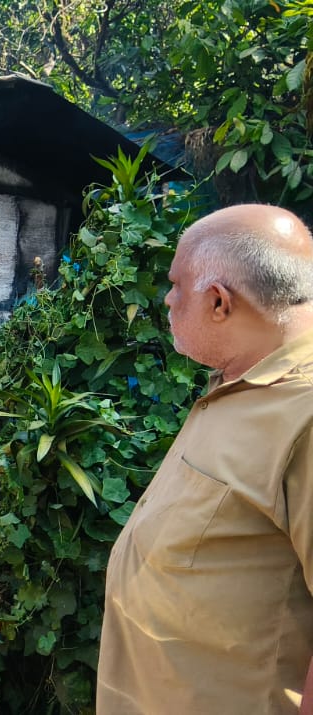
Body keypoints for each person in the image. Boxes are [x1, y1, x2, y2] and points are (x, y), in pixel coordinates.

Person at [99, 204, 313, 714]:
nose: (167, 299)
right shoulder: (239, 382)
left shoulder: (302, 410)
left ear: (219, 301)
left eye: (176, 285)